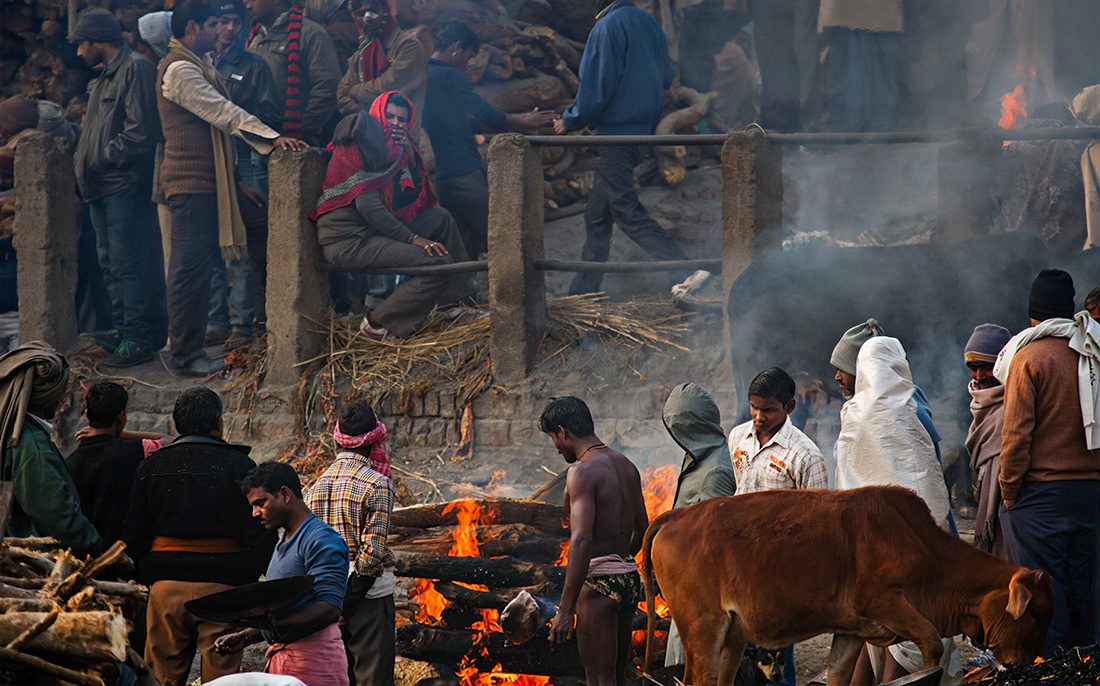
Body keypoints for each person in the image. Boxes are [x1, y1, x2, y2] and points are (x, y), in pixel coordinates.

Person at [156, 0, 307, 377]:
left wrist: (238, 181)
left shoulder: (197, 63)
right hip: (191, 184)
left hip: (213, 183)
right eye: (211, 24)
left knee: (228, 251)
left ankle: (244, 327)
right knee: (189, 271)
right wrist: (271, 138)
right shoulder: (179, 70)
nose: (218, 30)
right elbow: (222, 111)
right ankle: (185, 356)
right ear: (192, 28)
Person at [123, 386, 277, 685]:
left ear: (175, 424)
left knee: (161, 677)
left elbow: (134, 533)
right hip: (225, 591)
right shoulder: (239, 466)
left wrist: (145, 580)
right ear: (217, 423)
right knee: (222, 679)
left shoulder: (151, 466)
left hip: (166, 589)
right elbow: (260, 531)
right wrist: (255, 583)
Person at [833, 334, 961, 684]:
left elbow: (846, 479)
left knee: (874, 632)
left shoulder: (855, 413)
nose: (837, 377)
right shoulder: (911, 409)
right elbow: (927, 476)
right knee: (909, 631)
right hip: (910, 547)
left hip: (867, 548)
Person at [553, 0, 690, 296]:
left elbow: (596, 89)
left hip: (616, 135)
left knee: (626, 211)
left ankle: (688, 271)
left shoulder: (605, 28)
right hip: (642, 132)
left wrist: (570, 120)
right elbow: (667, 74)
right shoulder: (649, 24)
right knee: (598, 215)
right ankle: (583, 293)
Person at [995, 269, 1100, 654]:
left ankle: (1053, 677)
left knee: (1044, 602)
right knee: (1083, 600)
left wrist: (1009, 494)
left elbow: (1016, 437)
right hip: (1088, 494)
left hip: (1040, 501)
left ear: (1033, 315)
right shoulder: (1091, 353)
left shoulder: (1029, 357)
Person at [310, 97, 475, 340]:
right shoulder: (357, 143)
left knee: (440, 218)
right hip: (349, 240)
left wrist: (409, 155)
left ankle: (452, 305)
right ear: (377, 116)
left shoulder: (396, 151)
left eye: (402, 119)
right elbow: (368, 206)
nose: (396, 124)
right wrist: (412, 238)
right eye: (390, 116)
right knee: (439, 262)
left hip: (373, 230)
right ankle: (377, 323)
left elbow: (409, 199)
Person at [71, 9, 167, 367]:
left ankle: (140, 337)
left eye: (82, 44)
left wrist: (102, 159)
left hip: (122, 184)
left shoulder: (136, 69)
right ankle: (126, 329)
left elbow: (142, 131)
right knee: (111, 263)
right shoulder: (104, 79)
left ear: (98, 40)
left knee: (130, 263)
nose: (79, 53)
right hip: (100, 187)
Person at [727, 367, 826, 685]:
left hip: (779, 572)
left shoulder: (806, 456)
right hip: (739, 563)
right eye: (754, 407)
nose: (758, 416)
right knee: (740, 653)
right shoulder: (738, 437)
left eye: (768, 409)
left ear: (789, 407)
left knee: (776, 659)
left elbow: (817, 526)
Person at [540, 396, 648, 686]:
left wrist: (565, 610)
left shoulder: (581, 471)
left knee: (599, 680)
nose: (556, 446)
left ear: (563, 432)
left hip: (598, 587)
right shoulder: (626, 466)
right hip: (627, 580)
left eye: (553, 438)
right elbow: (643, 527)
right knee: (619, 676)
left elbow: (582, 539)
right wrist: (619, 560)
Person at [422, 21, 553, 256]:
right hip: (465, 176)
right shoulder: (449, 75)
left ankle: (470, 294)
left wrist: (513, 119)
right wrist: (523, 122)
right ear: (457, 47)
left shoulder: (426, 76)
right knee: (500, 240)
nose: (466, 65)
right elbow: (485, 114)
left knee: (463, 248)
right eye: (468, 57)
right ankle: (513, 293)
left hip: (442, 180)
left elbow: (462, 122)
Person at [214, 463, 349, 685]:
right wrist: (246, 636)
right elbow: (292, 611)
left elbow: (329, 609)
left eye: (260, 503)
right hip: (288, 661)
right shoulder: (285, 540)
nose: (255, 513)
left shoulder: (320, 539)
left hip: (314, 664)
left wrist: (269, 624)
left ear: (285, 494)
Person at [306, 398, 396, 686]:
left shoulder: (315, 487)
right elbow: (370, 558)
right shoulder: (377, 484)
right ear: (374, 441)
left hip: (325, 596)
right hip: (367, 599)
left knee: (338, 677)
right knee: (373, 678)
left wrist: (334, 605)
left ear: (338, 439)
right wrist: (347, 602)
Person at [210, 0, 283, 346]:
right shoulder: (199, 64)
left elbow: (269, 116)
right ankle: (215, 322)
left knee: (246, 242)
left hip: (247, 161)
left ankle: (244, 323)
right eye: (222, 21)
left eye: (235, 22)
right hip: (209, 161)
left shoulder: (254, 65)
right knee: (212, 245)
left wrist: (243, 122)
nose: (228, 29)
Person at [659, 382, 736, 671]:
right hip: (687, 582)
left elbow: (715, 540)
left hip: (702, 590)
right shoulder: (699, 456)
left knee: (691, 662)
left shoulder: (717, 470)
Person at [0, 342, 102, 556]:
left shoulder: (7, 428)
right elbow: (57, 516)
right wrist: (99, 549)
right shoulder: (29, 443)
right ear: (49, 396)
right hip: (33, 560)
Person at [66, 381, 174, 546]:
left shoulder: (70, 462)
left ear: (87, 415)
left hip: (87, 553)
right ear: (121, 415)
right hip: (127, 552)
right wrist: (123, 433)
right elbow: (170, 442)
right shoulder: (136, 450)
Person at [245, 0, 341, 145]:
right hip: (256, 142)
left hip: (296, 143)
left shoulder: (310, 33)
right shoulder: (255, 37)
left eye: (253, 0)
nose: (248, 6)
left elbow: (328, 86)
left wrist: (303, 128)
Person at [963, 324, 1012, 557]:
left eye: (987, 367)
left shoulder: (1015, 404)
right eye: (973, 368)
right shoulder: (978, 407)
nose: (979, 376)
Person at [818, 0, 902, 132]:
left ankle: (856, 128)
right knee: (862, 68)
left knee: (853, 67)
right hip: (850, 12)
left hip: (860, 14)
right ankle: (866, 128)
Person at [335, 0, 426, 118]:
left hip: (400, 132)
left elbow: (389, 86)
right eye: (361, 13)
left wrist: (355, 91)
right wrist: (370, 116)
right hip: (368, 132)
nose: (368, 18)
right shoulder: (362, 53)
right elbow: (342, 97)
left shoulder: (408, 46)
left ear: (385, 10)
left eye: (373, 11)